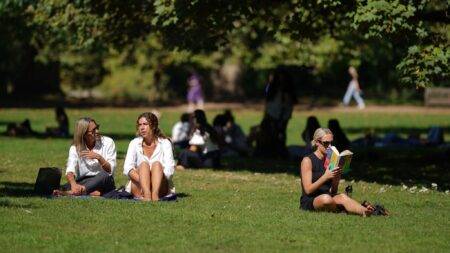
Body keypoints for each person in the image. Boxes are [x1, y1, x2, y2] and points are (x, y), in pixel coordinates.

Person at [299, 128, 374, 216]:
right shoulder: (307, 161)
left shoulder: (332, 160)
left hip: (328, 196)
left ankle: (365, 211)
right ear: (317, 142)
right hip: (311, 200)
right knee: (326, 199)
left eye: (331, 143)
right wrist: (325, 177)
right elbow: (308, 190)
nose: (329, 146)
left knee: (342, 196)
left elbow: (333, 191)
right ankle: (343, 210)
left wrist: (337, 176)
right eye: (326, 143)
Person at [54, 117, 116, 196]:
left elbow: (110, 170)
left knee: (105, 175)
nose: (97, 131)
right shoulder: (75, 148)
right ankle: (85, 191)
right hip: (85, 181)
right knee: (64, 186)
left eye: (97, 128)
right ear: (84, 134)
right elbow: (70, 169)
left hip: (104, 181)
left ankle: (75, 192)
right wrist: (73, 185)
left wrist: (99, 158)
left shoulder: (108, 142)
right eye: (93, 130)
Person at [123, 112, 176, 201]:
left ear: (154, 126)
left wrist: (153, 180)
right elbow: (127, 169)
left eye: (145, 124)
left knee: (157, 164)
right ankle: (147, 194)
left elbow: (169, 171)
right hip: (139, 186)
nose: (142, 128)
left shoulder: (165, 143)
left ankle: (154, 195)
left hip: (160, 187)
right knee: (143, 164)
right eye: (140, 125)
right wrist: (145, 182)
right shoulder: (134, 143)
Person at [254, 67, 297, 158]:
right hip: (272, 114)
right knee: (270, 133)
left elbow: (287, 104)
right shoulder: (272, 89)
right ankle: (270, 151)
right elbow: (267, 97)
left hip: (281, 115)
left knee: (280, 134)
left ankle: (279, 152)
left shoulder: (287, 91)